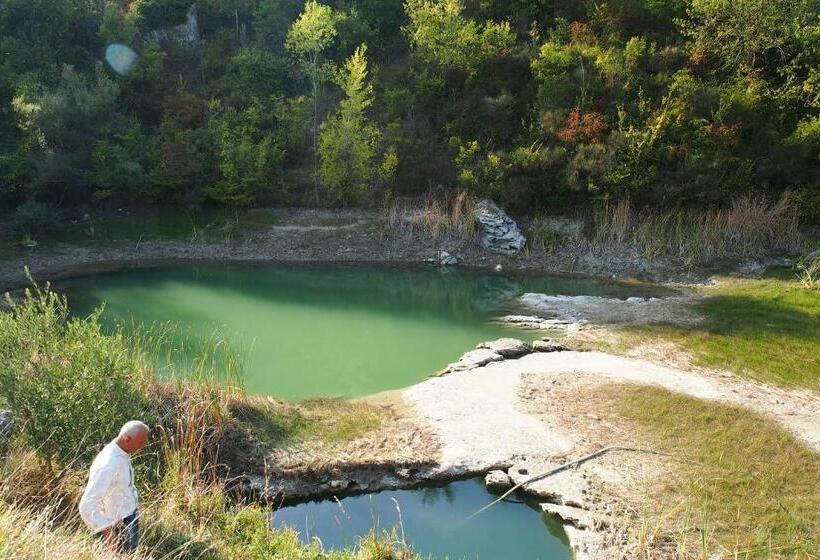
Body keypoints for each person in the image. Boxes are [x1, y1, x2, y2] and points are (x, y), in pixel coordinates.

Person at [79, 420, 149, 552]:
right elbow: (87, 504)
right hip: (117, 523)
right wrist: (108, 532)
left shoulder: (121, 451)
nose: (143, 446)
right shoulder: (108, 463)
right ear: (127, 439)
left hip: (129, 515)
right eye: (140, 442)